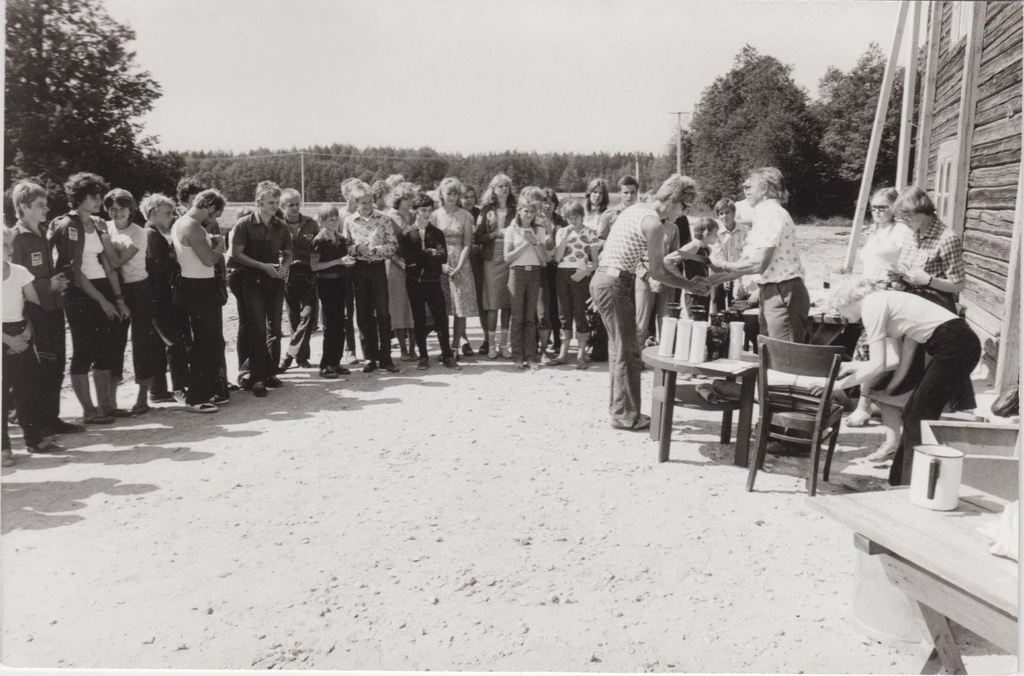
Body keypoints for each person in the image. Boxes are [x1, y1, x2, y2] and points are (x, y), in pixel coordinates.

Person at [829, 277, 981, 486]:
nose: (841, 315)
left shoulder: (872, 306)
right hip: (956, 342)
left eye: (839, 309)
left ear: (846, 299)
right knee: (913, 414)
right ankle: (900, 481)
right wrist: (852, 366)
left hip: (955, 344)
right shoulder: (882, 302)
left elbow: (877, 365)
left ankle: (909, 484)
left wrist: (836, 386)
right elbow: (892, 361)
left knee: (918, 416)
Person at [591, 174, 711, 430]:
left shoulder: (636, 209)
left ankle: (619, 410)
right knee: (629, 351)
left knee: (619, 349)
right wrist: (690, 286)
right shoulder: (654, 224)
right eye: (684, 207)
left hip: (604, 278)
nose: (684, 213)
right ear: (674, 199)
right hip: (616, 282)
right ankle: (626, 416)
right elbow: (658, 272)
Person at [50, 172, 130, 425]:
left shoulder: (97, 223)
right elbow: (73, 271)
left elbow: (107, 264)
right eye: (93, 197)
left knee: (106, 349)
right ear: (79, 197)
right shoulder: (66, 225)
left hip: (103, 289)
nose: (99, 201)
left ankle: (105, 406)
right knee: (84, 350)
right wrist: (102, 301)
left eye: (99, 196)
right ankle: (88, 410)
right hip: (80, 294)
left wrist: (117, 298)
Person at [8, 180, 81, 438]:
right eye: (40, 205)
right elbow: (10, 279)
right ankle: (36, 422)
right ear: (24, 207)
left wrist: (56, 282)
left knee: (57, 363)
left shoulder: (42, 233)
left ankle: (52, 417)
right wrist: (45, 284)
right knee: (40, 367)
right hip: (32, 312)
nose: (46, 209)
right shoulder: (16, 238)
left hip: (53, 307)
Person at [841, 187, 910, 458]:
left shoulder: (902, 232)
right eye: (874, 207)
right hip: (869, 294)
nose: (878, 212)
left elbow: (904, 268)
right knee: (865, 350)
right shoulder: (875, 232)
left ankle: (863, 406)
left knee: (872, 351)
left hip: (888, 296)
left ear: (895, 207)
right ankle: (866, 402)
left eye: (883, 207)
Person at [709, 167, 809, 343]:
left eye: (749, 186)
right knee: (769, 351)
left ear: (764, 189)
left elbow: (757, 264)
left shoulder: (771, 214)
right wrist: (710, 281)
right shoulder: (763, 215)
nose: (745, 189)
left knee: (783, 356)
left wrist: (722, 265)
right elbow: (747, 263)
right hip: (773, 290)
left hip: (782, 290)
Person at [3, 226, 60, 464]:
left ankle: (33, 439)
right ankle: (3, 448)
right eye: (3, 245)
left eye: (10, 244)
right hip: (3, 336)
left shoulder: (20, 272)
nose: (9, 249)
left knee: (27, 389)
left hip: (22, 332)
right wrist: (8, 340)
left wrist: (26, 332)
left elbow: (33, 306)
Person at [231, 181, 292, 396]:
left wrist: (284, 268)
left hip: (274, 281)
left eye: (276, 202)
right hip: (253, 281)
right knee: (257, 328)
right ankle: (256, 378)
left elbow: (288, 252)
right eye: (270, 202)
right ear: (259, 202)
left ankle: (271, 372)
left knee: (275, 329)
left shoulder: (281, 226)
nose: (274, 206)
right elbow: (237, 254)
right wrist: (262, 266)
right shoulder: (244, 225)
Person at [171, 189, 227, 412]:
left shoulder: (182, 223)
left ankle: (203, 391)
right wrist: (220, 246)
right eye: (214, 216)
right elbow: (209, 260)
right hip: (198, 288)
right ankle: (196, 398)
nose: (213, 221)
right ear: (210, 208)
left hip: (194, 286)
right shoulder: (192, 225)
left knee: (207, 342)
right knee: (207, 343)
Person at [101, 188, 155, 415]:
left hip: (138, 288)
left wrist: (104, 243)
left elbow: (117, 262)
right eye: (112, 209)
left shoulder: (138, 233)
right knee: (115, 342)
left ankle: (142, 398)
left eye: (121, 208)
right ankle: (111, 401)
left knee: (141, 342)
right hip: (116, 289)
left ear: (130, 209)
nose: (116, 213)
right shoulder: (106, 227)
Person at [344, 182, 400, 373]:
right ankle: (369, 357)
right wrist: (356, 249)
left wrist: (378, 249)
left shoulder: (383, 219)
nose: (367, 206)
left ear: (374, 201)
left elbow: (393, 245)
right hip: (359, 271)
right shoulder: (350, 221)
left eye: (369, 202)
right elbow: (345, 246)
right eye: (362, 202)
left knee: (383, 313)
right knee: (363, 314)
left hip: (377, 269)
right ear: (356, 202)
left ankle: (386, 357)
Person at [401, 193, 459, 370]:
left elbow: (442, 256)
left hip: (433, 281)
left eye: (429, 210)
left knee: (441, 318)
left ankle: (447, 355)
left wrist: (423, 258)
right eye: (423, 210)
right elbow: (408, 258)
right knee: (419, 319)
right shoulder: (407, 233)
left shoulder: (437, 233)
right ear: (415, 211)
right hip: (414, 282)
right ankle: (423, 357)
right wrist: (428, 253)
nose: (427, 214)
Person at [141, 193, 190, 404]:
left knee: (157, 345)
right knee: (175, 342)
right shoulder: (152, 235)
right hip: (158, 298)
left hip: (153, 298)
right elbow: (157, 266)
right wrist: (175, 257)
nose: (171, 217)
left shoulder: (151, 234)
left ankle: (158, 390)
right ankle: (181, 388)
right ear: (153, 213)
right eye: (167, 213)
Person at [432, 177, 479, 358]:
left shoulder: (466, 215)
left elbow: (467, 243)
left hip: (461, 262)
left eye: (455, 193)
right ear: (442, 194)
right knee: (442, 305)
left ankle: (455, 346)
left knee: (460, 306)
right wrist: (441, 264)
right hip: (440, 262)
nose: (452, 197)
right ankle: (444, 346)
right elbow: (432, 241)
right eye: (448, 193)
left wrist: (459, 265)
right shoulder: (435, 215)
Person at [549, 198, 597, 368]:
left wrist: (585, 271)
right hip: (562, 272)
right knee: (564, 313)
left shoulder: (590, 233)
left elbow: (596, 262)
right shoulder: (562, 232)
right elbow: (557, 257)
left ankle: (581, 355)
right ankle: (563, 354)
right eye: (569, 217)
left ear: (582, 216)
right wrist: (565, 236)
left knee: (580, 313)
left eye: (576, 216)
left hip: (580, 273)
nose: (573, 220)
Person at [309, 204, 355, 378]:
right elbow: (315, 266)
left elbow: (346, 259)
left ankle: (336, 362)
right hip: (326, 284)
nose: (334, 222)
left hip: (341, 282)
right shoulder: (318, 241)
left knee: (340, 323)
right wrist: (338, 261)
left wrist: (347, 262)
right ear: (321, 222)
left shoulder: (342, 239)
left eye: (336, 218)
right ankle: (325, 364)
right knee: (331, 325)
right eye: (330, 219)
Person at [504, 193, 548, 370]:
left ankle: (531, 356)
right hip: (517, 274)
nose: (529, 215)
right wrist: (525, 243)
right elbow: (507, 258)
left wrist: (535, 242)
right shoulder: (511, 229)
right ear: (519, 211)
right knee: (517, 317)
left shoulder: (540, 230)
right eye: (526, 211)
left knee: (531, 318)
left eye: (532, 211)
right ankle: (517, 356)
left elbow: (544, 260)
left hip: (534, 273)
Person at [475, 174, 516, 359]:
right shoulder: (485, 210)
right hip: (491, 259)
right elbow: (478, 237)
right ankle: (491, 345)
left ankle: (504, 345)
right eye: (500, 186)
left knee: (507, 303)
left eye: (506, 185)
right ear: (493, 189)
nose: (504, 188)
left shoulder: (515, 210)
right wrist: (496, 233)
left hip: (510, 258)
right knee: (492, 305)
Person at [279, 188, 320, 371]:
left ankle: (289, 355)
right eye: (291, 205)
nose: (295, 208)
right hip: (288, 275)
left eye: (297, 204)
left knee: (308, 316)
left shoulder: (311, 224)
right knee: (294, 317)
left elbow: (319, 248)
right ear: (283, 207)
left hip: (309, 275)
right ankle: (302, 358)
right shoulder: (278, 225)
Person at [385, 182, 418, 362]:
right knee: (398, 307)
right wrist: (399, 262)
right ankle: (403, 350)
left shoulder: (415, 216)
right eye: (406, 198)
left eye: (411, 197)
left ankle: (414, 348)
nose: (410, 201)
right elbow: (387, 246)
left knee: (413, 306)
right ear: (398, 199)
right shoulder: (390, 217)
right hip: (395, 266)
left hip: (413, 267)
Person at [666, 217, 718, 320]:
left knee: (702, 323)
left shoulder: (708, 249)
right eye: (715, 233)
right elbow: (668, 260)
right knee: (694, 323)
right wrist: (683, 280)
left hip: (704, 291)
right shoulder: (693, 246)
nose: (717, 236)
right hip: (692, 293)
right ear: (706, 233)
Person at [461, 185, 489, 356]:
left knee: (482, 301)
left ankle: (487, 338)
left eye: (472, 196)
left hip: (478, 261)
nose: (469, 199)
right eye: (465, 196)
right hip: (461, 261)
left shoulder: (481, 214)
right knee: (462, 302)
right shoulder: (456, 214)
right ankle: (463, 339)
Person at [537, 187, 565, 357]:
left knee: (556, 303)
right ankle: (541, 342)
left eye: (551, 202)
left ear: (555, 204)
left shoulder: (561, 221)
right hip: (541, 266)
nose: (547, 205)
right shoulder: (536, 221)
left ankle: (557, 339)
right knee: (542, 305)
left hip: (557, 266)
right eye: (544, 202)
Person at [709, 198, 748, 310]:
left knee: (737, 306)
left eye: (727, 212)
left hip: (739, 272)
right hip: (720, 272)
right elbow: (718, 255)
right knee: (718, 305)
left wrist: (734, 275)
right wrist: (726, 276)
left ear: (734, 213)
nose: (724, 216)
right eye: (721, 213)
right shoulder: (716, 232)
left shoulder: (744, 230)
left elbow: (745, 254)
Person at [597, 174, 640, 239]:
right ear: (619, 193)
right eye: (626, 192)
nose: (629, 196)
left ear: (637, 192)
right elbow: (600, 240)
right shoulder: (609, 215)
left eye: (632, 192)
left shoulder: (642, 214)